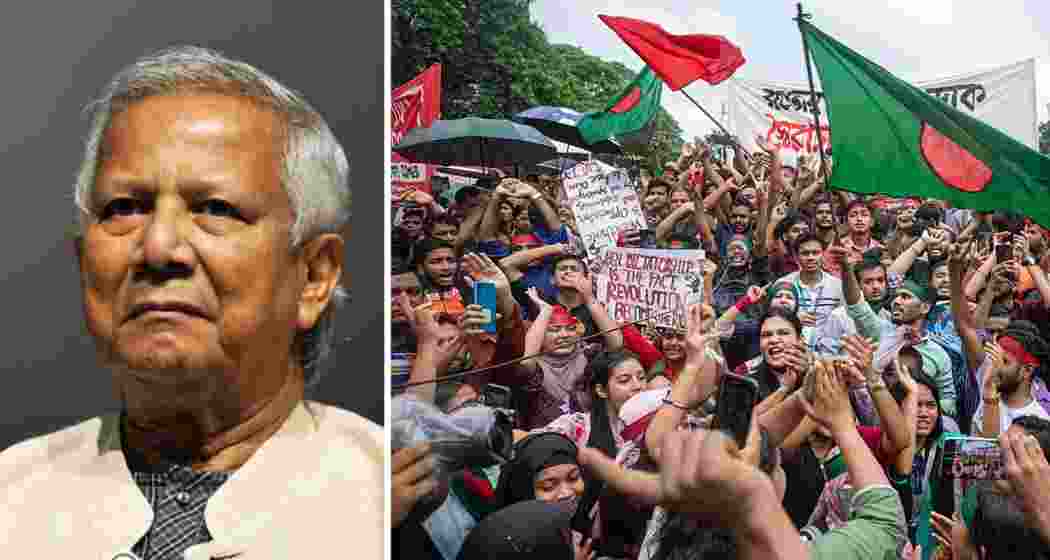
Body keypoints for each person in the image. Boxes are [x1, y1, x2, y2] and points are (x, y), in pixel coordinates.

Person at [0, 46, 382, 557]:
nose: (158, 247)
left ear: (314, 276)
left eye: (216, 209)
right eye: (123, 207)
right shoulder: (12, 500)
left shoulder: (382, 503)